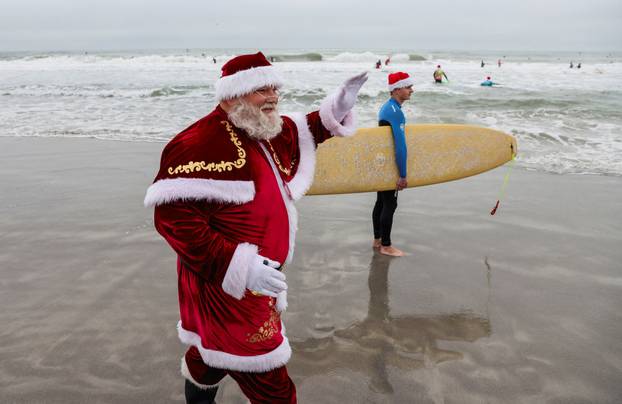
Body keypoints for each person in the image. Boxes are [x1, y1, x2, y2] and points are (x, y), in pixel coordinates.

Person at [144, 51, 368, 404]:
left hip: (256, 281)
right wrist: (240, 266)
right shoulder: (198, 143)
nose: (273, 96)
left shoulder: (258, 127)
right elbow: (172, 219)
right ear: (234, 93)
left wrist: (338, 106)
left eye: (274, 87)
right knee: (273, 387)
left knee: (209, 359)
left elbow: (303, 130)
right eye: (262, 89)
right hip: (229, 288)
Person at [372, 72, 413, 257]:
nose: (412, 90)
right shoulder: (395, 112)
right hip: (390, 166)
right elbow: (400, 146)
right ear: (397, 89)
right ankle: (386, 246)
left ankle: (377, 240)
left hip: (382, 163)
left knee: (381, 202)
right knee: (390, 203)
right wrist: (403, 174)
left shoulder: (387, 108)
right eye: (408, 87)